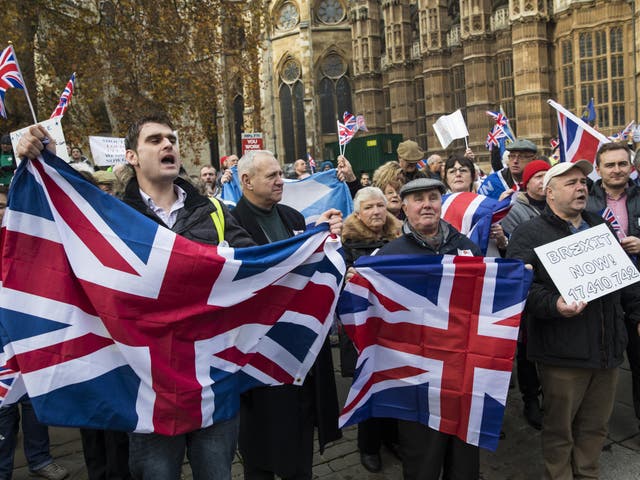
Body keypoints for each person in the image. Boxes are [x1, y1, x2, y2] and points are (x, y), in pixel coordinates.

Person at [15, 115, 256, 480]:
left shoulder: (217, 212)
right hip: (148, 386)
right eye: (155, 139)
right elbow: (62, 232)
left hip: (212, 379)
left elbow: (258, 271)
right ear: (132, 156)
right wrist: (39, 159)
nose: (168, 145)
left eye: (172, 138)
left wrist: (322, 243)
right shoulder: (114, 218)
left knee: (217, 473)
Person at [507, 159, 640, 479]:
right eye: (571, 183)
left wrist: (637, 313)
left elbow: (625, 279)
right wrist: (554, 304)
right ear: (549, 193)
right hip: (562, 353)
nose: (581, 187)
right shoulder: (528, 233)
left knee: (595, 426)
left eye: (582, 181)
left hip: (607, 348)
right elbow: (519, 290)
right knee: (560, 429)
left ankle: (587, 474)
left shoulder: (600, 225)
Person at [231, 150, 342, 480]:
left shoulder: (293, 218)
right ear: (246, 181)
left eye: (281, 174)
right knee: (261, 440)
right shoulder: (233, 223)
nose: (281, 181)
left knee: (299, 429)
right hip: (258, 351)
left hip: (300, 348)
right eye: (272, 176)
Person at [360, 178, 481, 480]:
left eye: (433, 197)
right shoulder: (390, 256)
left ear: (442, 203)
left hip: (462, 371)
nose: (427, 204)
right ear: (403, 207)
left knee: (464, 458)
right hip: (416, 377)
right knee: (422, 460)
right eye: (418, 199)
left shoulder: (466, 246)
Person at [0, 184, 69, 480]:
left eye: (3, 204)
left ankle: (40, 459)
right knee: (3, 406)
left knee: (33, 398)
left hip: (27, 331)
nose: (0, 211)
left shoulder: (23, 239)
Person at [339, 187, 401, 473]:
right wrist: (346, 279)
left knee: (394, 383)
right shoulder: (345, 244)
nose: (376, 211)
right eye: (369, 207)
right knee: (367, 385)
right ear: (357, 213)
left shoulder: (400, 237)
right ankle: (368, 445)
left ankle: (392, 438)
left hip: (393, 326)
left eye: (380, 205)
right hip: (362, 329)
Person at [585, 142, 640, 427]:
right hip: (602, 295)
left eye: (622, 164)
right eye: (610, 165)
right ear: (597, 169)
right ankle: (596, 430)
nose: (617, 170)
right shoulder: (585, 200)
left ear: (630, 166)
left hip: (638, 293)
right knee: (598, 367)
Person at [499, 159, 551, 431]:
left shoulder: (557, 205)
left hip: (555, 288)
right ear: (527, 182)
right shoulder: (515, 210)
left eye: (547, 175)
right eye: (537, 177)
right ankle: (531, 398)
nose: (543, 181)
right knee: (527, 347)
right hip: (530, 285)